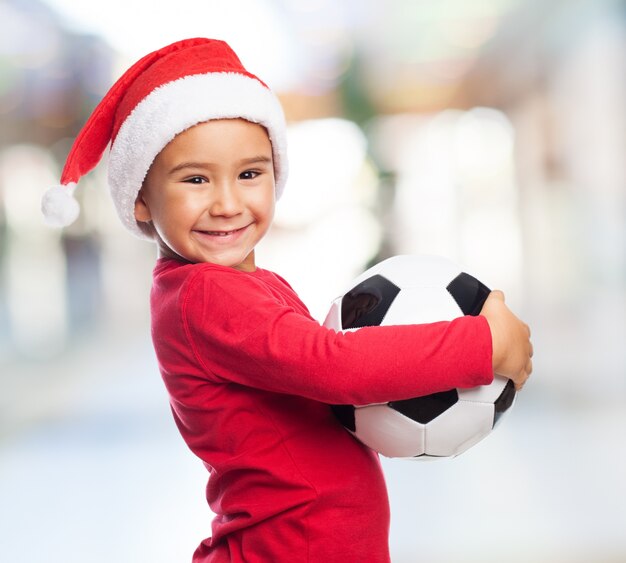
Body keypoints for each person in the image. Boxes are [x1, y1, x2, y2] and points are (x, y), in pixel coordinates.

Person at [41, 38, 533, 563]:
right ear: (141, 197)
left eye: (250, 174)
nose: (228, 203)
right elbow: (335, 367)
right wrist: (481, 342)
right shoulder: (203, 296)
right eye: (196, 179)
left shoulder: (237, 285)